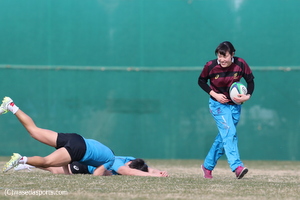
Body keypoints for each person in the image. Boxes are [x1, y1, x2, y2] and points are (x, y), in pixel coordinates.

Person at [0, 96, 115, 176]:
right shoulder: (110, 161)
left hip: (76, 139)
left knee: (34, 131)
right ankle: (21, 159)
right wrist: (105, 175)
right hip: (79, 148)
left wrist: (67, 174)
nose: (110, 172)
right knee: (47, 162)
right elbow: (97, 174)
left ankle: (11, 106)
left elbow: (70, 157)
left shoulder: (104, 152)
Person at [198, 41, 254, 179]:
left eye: (225, 56)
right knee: (229, 132)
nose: (222, 59)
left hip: (235, 106)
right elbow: (201, 81)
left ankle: (207, 166)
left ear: (232, 54)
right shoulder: (210, 66)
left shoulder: (241, 63)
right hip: (218, 105)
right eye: (219, 56)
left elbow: (250, 81)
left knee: (225, 136)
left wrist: (246, 96)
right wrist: (215, 94)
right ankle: (237, 167)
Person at [15, 156, 169, 177]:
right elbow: (126, 171)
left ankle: (27, 163)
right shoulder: (118, 163)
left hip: (89, 163)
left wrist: (158, 172)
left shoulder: (133, 160)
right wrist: (154, 175)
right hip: (83, 165)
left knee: (52, 165)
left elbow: (146, 168)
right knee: (55, 169)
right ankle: (26, 162)